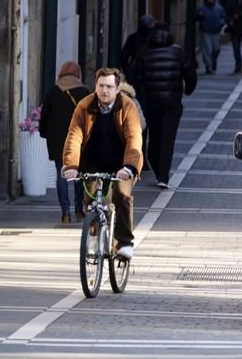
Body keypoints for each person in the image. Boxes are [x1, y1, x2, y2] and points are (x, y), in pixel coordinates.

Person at [62, 68, 143, 260]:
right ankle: (94, 229)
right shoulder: (85, 105)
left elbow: (134, 138)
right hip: (93, 161)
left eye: (109, 86)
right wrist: (71, 165)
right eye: (101, 86)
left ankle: (124, 242)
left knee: (121, 195)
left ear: (117, 89)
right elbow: (74, 136)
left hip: (121, 164)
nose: (104, 90)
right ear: (95, 87)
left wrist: (129, 167)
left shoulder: (127, 106)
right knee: (90, 199)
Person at [135, 30, 197, 189]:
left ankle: (157, 168)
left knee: (154, 138)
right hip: (172, 103)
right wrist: (188, 90)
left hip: (152, 103)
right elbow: (190, 73)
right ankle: (163, 176)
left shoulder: (145, 54)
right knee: (168, 139)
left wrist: (143, 91)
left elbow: (135, 76)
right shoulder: (178, 52)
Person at [39, 61, 91, 223]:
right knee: (78, 175)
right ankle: (79, 210)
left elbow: (44, 116)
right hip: (78, 140)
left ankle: (65, 212)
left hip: (57, 140)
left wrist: (44, 133)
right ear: (77, 74)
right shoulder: (84, 92)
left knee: (61, 175)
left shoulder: (53, 91)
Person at [120, 14, 158, 102]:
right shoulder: (153, 39)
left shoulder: (133, 38)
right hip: (149, 75)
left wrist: (128, 70)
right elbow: (124, 57)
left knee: (138, 101)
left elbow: (123, 58)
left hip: (136, 75)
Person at [195, 0, 227, 75]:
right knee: (207, 49)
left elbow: (223, 18)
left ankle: (213, 62)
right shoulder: (202, 8)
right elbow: (195, 16)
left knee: (216, 49)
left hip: (216, 31)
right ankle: (208, 66)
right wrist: (199, 15)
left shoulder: (219, 8)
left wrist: (220, 24)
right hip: (205, 31)